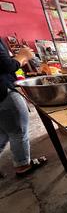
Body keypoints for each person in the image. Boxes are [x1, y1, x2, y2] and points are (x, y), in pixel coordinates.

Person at [0, 40, 47, 177]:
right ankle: (23, 165)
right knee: (18, 131)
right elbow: (5, 65)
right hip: (3, 92)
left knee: (3, 132)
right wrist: (22, 57)